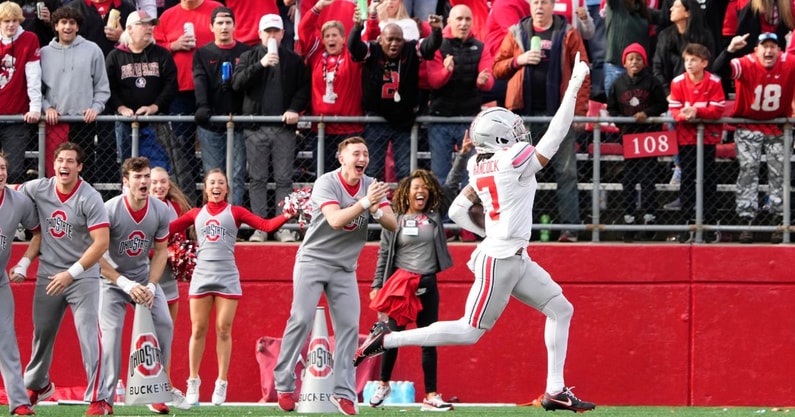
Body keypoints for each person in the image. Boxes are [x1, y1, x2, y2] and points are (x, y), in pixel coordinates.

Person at [354, 59, 596, 414]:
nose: (520, 134)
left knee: (561, 309)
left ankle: (555, 390)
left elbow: (456, 212)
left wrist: (491, 231)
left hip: (510, 254)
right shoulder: (512, 157)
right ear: (500, 138)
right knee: (469, 331)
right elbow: (555, 136)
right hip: (501, 258)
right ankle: (387, 338)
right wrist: (573, 86)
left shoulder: (477, 164)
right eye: (513, 130)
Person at [273, 136, 397, 416]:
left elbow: (392, 223)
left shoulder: (371, 186)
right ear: (342, 158)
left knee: (349, 327)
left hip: (344, 267)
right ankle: (283, 383)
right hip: (313, 261)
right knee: (301, 319)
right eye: (356, 153)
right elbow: (336, 220)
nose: (362, 158)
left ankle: (343, 393)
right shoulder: (326, 182)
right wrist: (367, 202)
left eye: (365, 153)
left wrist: (378, 209)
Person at [170, 169, 295, 406]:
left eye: (221, 183)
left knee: (224, 329)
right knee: (198, 329)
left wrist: (288, 214)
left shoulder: (236, 212)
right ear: (205, 189)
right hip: (202, 274)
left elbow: (266, 226)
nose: (216, 186)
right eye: (212, 183)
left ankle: (221, 380)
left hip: (227, 275)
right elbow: (166, 230)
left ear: (227, 188)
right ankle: (193, 380)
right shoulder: (195, 213)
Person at [18, 142, 112, 416]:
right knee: (42, 333)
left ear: (80, 167)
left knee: (88, 335)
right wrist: (25, 262)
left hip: (81, 276)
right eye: (60, 160)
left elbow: (101, 243)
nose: (64, 166)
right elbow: (12, 196)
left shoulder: (90, 197)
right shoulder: (39, 188)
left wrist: (71, 274)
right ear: (53, 164)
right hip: (48, 273)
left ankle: (99, 398)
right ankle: (38, 385)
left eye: (71, 161)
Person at [97, 157, 191, 415]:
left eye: (147, 176)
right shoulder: (109, 209)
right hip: (112, 281)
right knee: (112, 334)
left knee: (164, 324)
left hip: (143, 278)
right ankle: (104, 399)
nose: (144, 182)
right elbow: (96, 254)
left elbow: (161, 252)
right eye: (138, 177)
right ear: (125, 182)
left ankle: (155, 390)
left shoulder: (160, 210)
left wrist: (151, 285)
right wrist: (123, 282)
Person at [492, 0, 591, 242]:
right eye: (535, 2)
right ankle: (521, 229)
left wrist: (578, 111)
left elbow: (583, 71)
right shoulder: (516, 32)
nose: (539, 6)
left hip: (560, 117)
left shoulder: (568, 32)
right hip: (521, 119)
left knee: (566, 172)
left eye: (544, 2)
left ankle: (570, 229)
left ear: (552, 6)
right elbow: (497, 68)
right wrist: (520, 60)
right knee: (519, 175)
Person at [367, 168, 454, 411]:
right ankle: (384, 384)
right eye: (416, 187)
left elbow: (452, 185)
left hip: (427, 284)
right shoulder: (393, 219)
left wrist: (462, 155)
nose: (421, 191)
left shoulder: (434, 216)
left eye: (425, 187)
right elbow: (384, 253)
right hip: (402, 286)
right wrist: (376, 285)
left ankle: (432, 395)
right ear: (407, 193)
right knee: (392, 338)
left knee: (429, 339)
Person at [231, 13, 310, 242]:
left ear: (283, 34)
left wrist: (294, 109)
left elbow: (303, 89)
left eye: (276, 31)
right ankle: (260, 227)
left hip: (283, 128)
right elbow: (236, 84)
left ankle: (283, 226)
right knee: (257, 179)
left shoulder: (294, 60)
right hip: (255, 127)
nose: (272, 35)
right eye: (268, 31)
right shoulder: (248, 56)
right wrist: (260, 64)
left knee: (284, 179)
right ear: (260, 34)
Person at [713, 32, 795, 244]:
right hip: (748, 124)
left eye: (772, 47)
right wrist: (729, 50)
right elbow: (717, 71)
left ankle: (780, 220)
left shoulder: (789, 62)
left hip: (778, 125)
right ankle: (746, 220)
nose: (768, 51)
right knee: (748, 170)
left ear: (779, 50)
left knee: (780, 173)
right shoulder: (746, 63)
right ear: (756, 50)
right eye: (764, 46)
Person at [348, 5, 443, 182]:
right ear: (381, 40)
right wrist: (357, 28)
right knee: (373, 169)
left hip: (403, 119)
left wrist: (436, 32)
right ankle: (372, 209)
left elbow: (429, 46)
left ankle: (403, 209)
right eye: (390, 39)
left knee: (405, 171)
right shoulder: (373, 50)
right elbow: (355, 48)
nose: (394, 44)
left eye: (398, 40)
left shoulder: (411, 49)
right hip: (377, 119)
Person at [154, 0, 223, 203]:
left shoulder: (214, 9)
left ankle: (215, 205)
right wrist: (173, 45)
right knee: (181, 149)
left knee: (213, 148)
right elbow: (153, 48)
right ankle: (187, 204)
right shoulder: (167, 16)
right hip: (179, 91)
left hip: (212, 91)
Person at [40, 6, 110, 183]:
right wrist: (46, 107)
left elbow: (102, 86)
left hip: (83, 121)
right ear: (55, 26)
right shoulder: (44, 53)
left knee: (83, 175)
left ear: (78, 27)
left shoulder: (93, 50)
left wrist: (96, 108)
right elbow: (35, 90)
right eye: (63, 22)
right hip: (56, 123)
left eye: (72, 23)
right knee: (55, 174)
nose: (67, 27)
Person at [606, 43, 668, 242]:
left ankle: (650, 218)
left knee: (649, 178)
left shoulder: (653, 82)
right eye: (631, 59)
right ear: (624, 62)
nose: (634, 62)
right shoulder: (617, 84)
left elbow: (662, 104)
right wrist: (622, 124)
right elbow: (612, 108)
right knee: (629, 179)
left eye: (638, 59)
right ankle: (629, 218)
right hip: (628, 137)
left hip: (649, 137)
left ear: (644, 62)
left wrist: (647, 114)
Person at [427, 4, 494, 183]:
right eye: (459, 19)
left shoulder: (480, 46)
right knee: (440, 175)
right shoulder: (438, 44)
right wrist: (446, 72)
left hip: (469, 120)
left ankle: (468, 211)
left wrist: (483, 81)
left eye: (467, 19)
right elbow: (433, 81)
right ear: (449, 21)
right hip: (441, 120)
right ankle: (440, 212)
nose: (464, 23)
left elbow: (489, 82)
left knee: (470, 174)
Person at [105, 10, 178, 172]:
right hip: (125, 123)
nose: (149, 28)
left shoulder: (162, 54)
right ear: (129, 28)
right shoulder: (115, 56)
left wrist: (154, 107)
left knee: (158, 169)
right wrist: (121, 107)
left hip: (156, 122)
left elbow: (171, 85)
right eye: (143, 24)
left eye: (151, 24)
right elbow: (109, 87)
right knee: (129, 169)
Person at [193, 6, 251, 206]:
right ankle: (213, 219)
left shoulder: (246, 52)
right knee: (213, 176)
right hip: (211, 124)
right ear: (211, 26)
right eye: (219, 23)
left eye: (228, 22)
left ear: (234, 25)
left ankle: (233, 218)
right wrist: (202, 105)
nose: (224, 27)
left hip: (239, 123)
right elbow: (199, 80)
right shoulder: (202, 53)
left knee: (236, 175)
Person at [297, 1, 363, 176]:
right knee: (324, 175)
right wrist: (317, 7)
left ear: (343, 38)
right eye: (327, 36)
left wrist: (361, 23)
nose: (331, 39)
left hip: (350, 129)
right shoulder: (315, 55)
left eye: (335, 35)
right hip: (322, 128)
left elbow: (367, 37)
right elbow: (304, 29)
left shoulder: (352, 56)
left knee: (351, 175)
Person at [668, 43, 725, 243]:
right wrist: (686, 116)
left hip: (707, 140)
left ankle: (709, 225)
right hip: (686, 140)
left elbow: (718, 109)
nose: (689, 64)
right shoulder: (677, 82)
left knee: (709, 180)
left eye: (693, 60)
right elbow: (674, 110)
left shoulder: (714, 82)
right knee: (687, 181)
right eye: (687, 60)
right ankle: (686, 224)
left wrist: (696, 112)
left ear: (704, 63)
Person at [1, 151, 41, 417]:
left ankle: (19, 403)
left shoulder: (18, 201)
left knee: (6, 342)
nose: (1, 172)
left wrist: (24, 262)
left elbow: (38, 233)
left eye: (3, 167)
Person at [149, 165, 193, 404]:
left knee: (167, 333)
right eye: (154, 182)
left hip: (168, 279)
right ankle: (151, 385)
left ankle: (166, 384)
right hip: (145, 278)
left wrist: (181, 257)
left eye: (163, 182)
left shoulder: (176, 207)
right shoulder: (142, 206)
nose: (159, 186)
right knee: (148, 333)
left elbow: (181, 242)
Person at [0, 1, 41, 184]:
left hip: (16, 117)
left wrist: (35, 107)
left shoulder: (29, 39)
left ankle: (12, 210)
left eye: (15, 20)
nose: (11, 25)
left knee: (14, 170)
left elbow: (34, 76)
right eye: (6, 20)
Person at [603, 0, 657, 98]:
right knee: (617, 111)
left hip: (639, 73)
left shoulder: (642, 9)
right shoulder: (615, 5)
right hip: (616, 68)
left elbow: (665, 17)